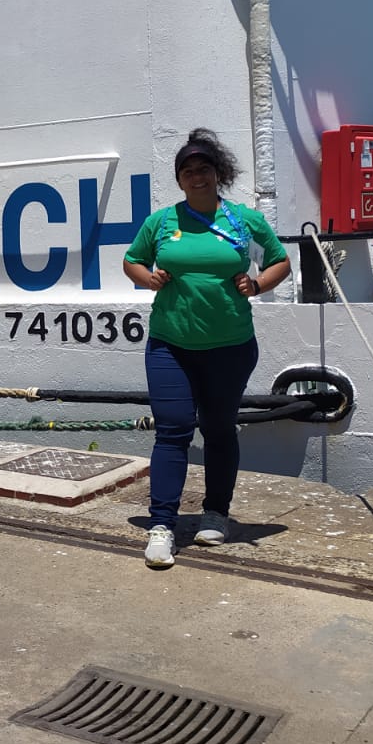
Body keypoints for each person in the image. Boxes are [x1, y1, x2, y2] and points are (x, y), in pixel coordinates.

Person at [121, 128, 291, 569]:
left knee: (218, 429)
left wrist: (255, 284)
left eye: (204, 169)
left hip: (230, 346)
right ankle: (162, 526)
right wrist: (148, 277)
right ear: (179, 180)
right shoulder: (162, 222)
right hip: (170, 344)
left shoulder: (242, 221)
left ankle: (216, 513)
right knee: (173, 428)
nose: (197, 176)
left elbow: (279, 262)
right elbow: (132, 260)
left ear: (218, 175)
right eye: (188, 171)